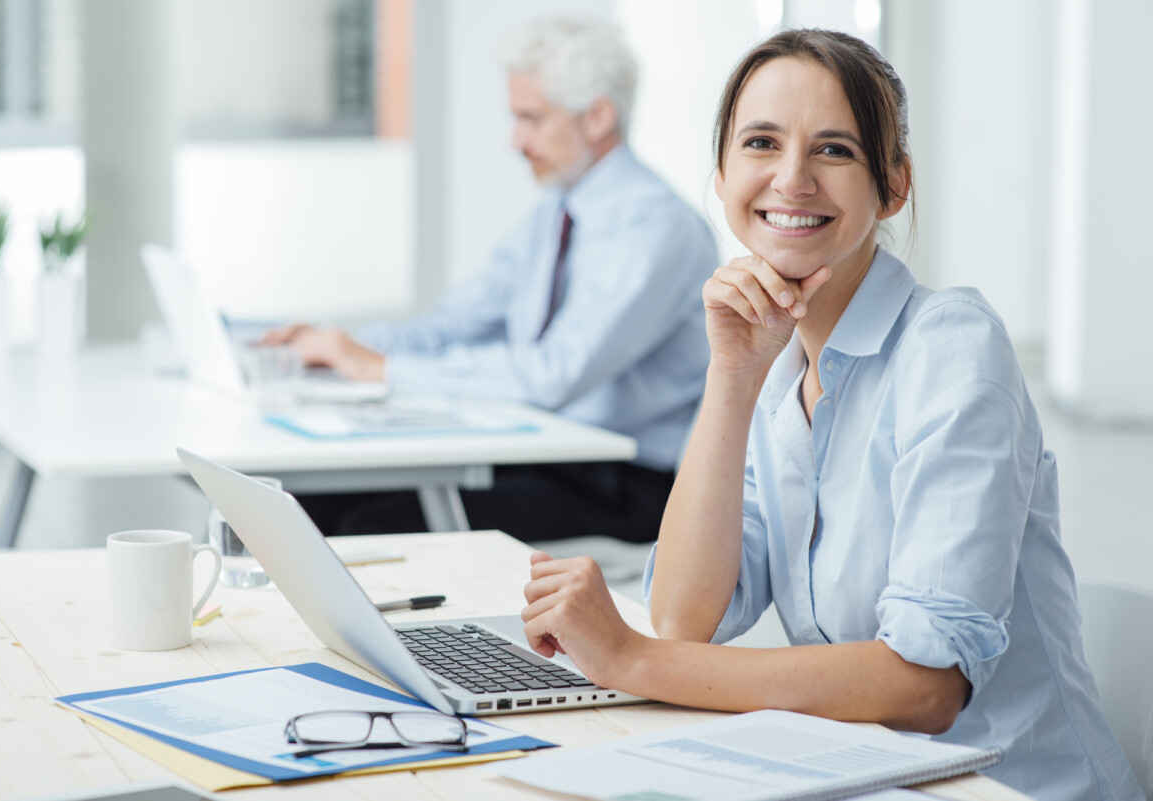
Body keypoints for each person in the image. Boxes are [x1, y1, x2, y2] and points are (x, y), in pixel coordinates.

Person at [518, 28, 1142, 801]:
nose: (792, 178)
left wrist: (630, 660)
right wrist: (732, 377)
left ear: (894, 185)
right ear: (721, 174)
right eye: (760, 142)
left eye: (835, 150)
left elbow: (925, 686)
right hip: (862, 779)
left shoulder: (951, 349)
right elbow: (684, 616)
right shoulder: (773, 365)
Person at [263, 18, 716, 543]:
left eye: (531, 119)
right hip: (538, 454)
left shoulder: (657, 227)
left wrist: (383, 369)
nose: (515, 140)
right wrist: (341, 346)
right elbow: (455, 322)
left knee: (373, 527)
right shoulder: (555, 212)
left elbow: (554, 374)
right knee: (307, 499)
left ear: (597, 116)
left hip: (622, 482)